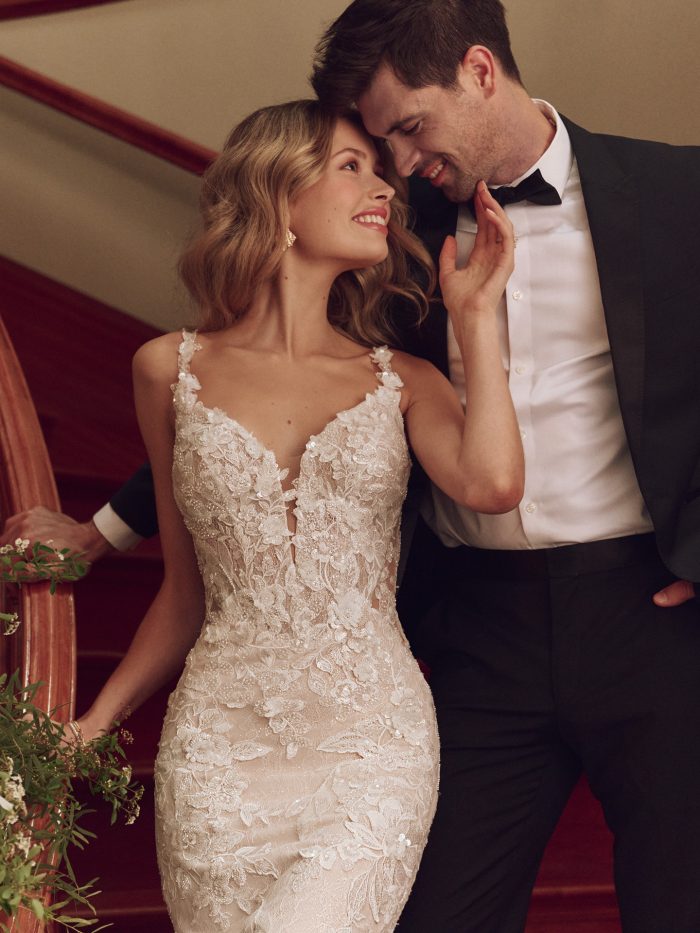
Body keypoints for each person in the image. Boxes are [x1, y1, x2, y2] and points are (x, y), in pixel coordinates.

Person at [60, 99, 523, 932]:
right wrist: (97, 720)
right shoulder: (167, 369)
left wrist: (476, 317)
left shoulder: (403, 380)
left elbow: (492, 482)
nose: (383, 185)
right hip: (218, 758)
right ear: (278, 196)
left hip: (368, 748)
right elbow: (184, 592)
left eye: (379, 169)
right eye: (353, 165)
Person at [307, 3, 700, 932]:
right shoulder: (391, 228)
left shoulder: (679, 193)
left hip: (651, 618)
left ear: (481, 71)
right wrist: (113, 523)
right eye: (381, 140)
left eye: (410, 127)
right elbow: (287, 373)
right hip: (477, 626)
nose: (400, 163)